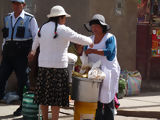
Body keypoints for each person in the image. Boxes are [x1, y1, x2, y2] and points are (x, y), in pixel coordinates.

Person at [28, 5, 93, 120]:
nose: (65, 20)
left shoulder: (42, 28)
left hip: (43, 68)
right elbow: (77, 37)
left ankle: (45, 118)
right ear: (60, 17)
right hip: (58, 69)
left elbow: (36, 41)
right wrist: (90, 41)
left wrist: (33, 51)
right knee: (55, 99)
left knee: (43, 97)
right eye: (64, 18)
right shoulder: (62, 29)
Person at [0, 0, 38, 116]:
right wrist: (2, 51)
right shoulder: (7, 18)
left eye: (18, 4)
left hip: (21, 54)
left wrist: (33, 51)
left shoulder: (30, 19)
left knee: (22, 81)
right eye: (14, 3)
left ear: (23, 5)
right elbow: (6, 38)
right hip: (8, 53)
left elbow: (36, 35)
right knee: (1, 77)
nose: (16, 6)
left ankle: (23, 106)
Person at [84, 14, 120, 120]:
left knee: (108, 101)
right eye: (93, 26)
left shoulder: (110, 38)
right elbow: (84, 52)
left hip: (109, 73)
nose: (94, 28)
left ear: (103, 27)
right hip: (94, 74)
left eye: (97, 26)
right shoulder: (89, 39)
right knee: (96, 102)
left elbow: (109, 52)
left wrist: (92, 50)